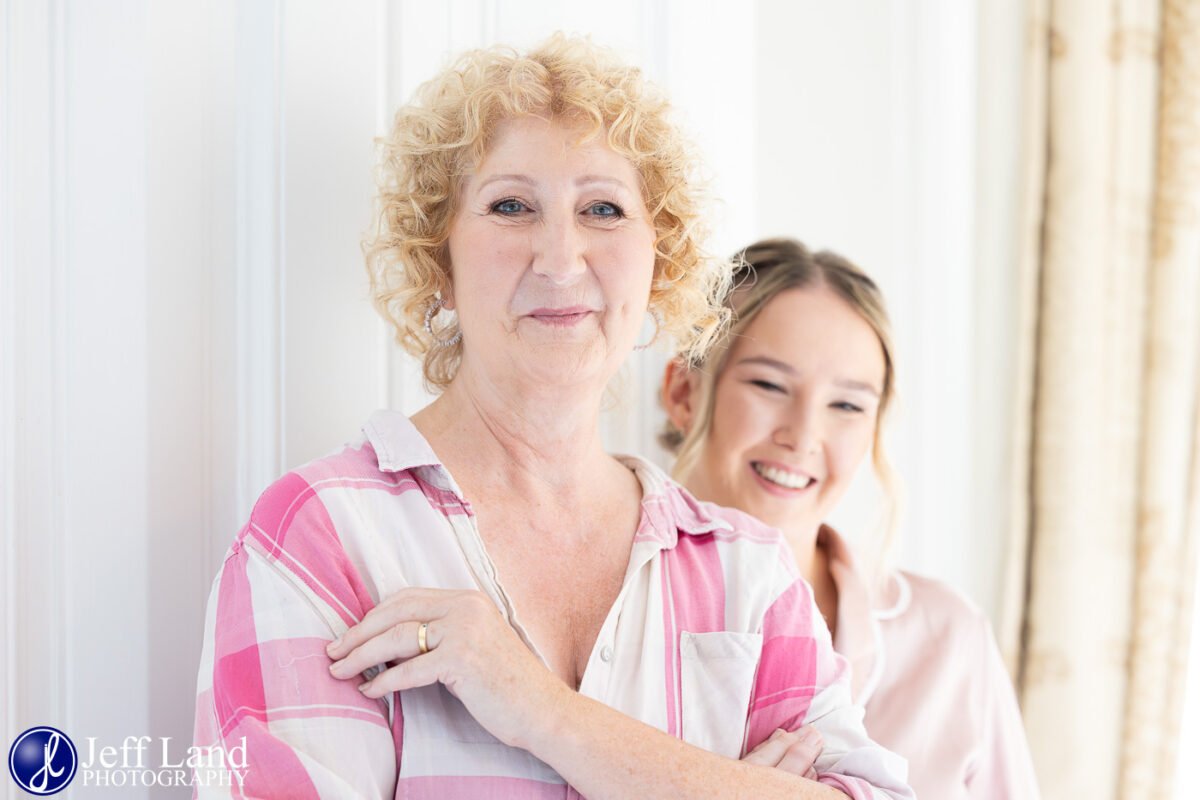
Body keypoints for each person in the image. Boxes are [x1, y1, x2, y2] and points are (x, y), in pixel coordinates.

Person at [191, 39, 914, 799]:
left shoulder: (745, 573)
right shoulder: (321, 540)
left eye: (603, 209)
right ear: (439, 263)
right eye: (511, 206)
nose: (562, 258)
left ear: (657, 266)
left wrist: (544, 713)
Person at [660, 237, 1042, 799]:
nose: (803, 437)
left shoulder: (947, 640)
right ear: (684, 392)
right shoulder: (612, 616)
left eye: (847, 405)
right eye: (768, 385)